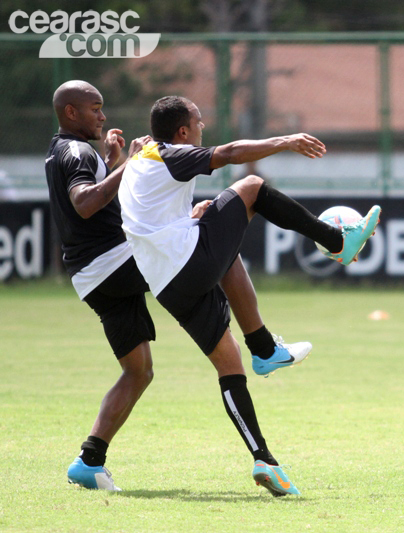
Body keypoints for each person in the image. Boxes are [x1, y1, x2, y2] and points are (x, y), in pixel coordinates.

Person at [46, 80, 311, 492]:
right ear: (70, 113)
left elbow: (110, 205)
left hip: (92, 278)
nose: (102, 115)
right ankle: (262, 347)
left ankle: (89, 459)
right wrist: (132, 164)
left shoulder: (61, 151)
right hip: (114, 263)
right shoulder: (77, 152)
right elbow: (85, 203)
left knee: (139, 371)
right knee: (213, 249)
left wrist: (116, 163)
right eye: (94, 108)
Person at [118, 95, 381, 496]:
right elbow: (229, 154)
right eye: (198, 122)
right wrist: (284, 141)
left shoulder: (139, 162)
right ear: (182, 131)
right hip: (186, 263)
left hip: (167, 285)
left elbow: (144, 219)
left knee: (229, 363)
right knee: (253, 187)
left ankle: (264, 459)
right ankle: (338, 242)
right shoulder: (170, 153)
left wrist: (187, 219)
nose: (203, 128)